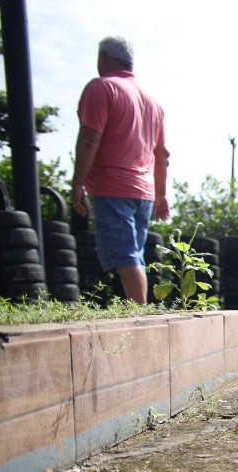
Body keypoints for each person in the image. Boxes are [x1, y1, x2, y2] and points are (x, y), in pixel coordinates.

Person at [71, 35, 169, 305]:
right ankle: (139, 313)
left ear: (103, 58)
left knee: (127, 259)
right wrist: (161, 195)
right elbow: (161, 155)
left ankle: (141, 318)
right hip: (144, 193)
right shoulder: (153, 102)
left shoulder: (102, 87)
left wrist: (77, 184)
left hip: (113, 186)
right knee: (133, 256)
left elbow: (90, 138)